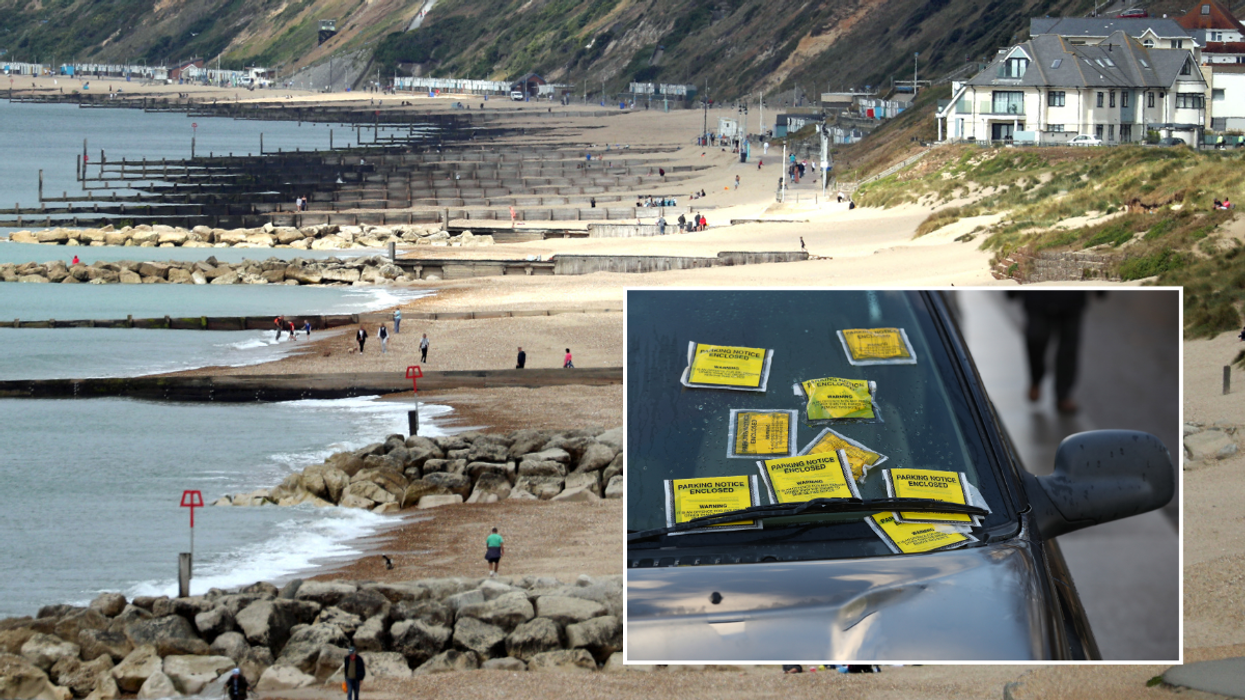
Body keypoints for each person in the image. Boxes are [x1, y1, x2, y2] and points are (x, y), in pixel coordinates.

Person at [1008, 291, 1093, 414]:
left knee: (1068, 349)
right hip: (1037, 295)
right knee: (1035, 340)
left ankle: (1063, 395)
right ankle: (1035, 379)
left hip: (1072, 298)